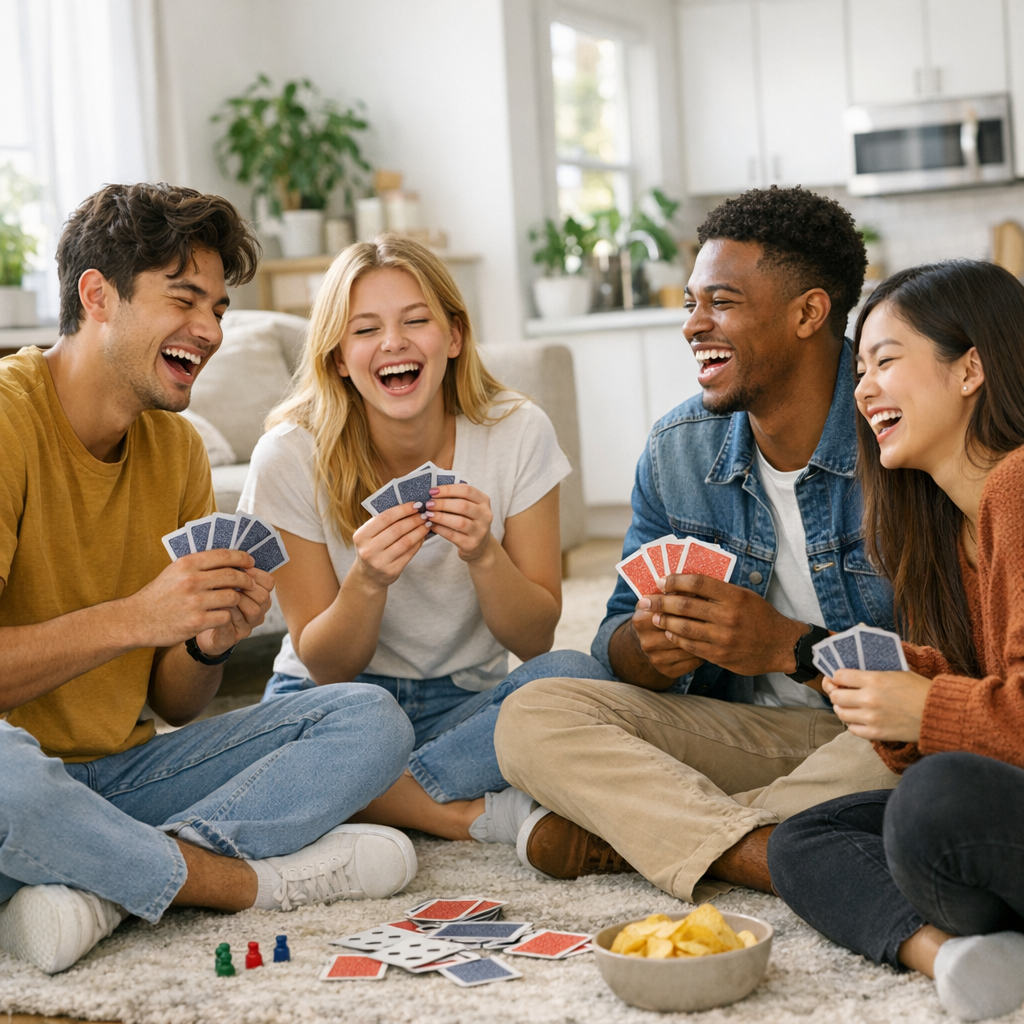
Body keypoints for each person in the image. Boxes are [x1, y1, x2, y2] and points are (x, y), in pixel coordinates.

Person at [0, 184, 419, 976]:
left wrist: (201, 642)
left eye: (220, 309)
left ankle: (101, 885)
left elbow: (176, 706)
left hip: (122, 780)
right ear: (98, 295)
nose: (211, 331)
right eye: (185, 299)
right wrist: (137, 617)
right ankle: (240, 883)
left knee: (369, 718)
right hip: (15, 771)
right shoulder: (7, 422)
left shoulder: (179, 449)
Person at [494, 186, 905, 900]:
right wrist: (650, 647)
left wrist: (786, 647)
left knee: (941, 751)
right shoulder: (677, 449)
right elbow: (614, 642)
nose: (692, 326)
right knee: (534, 715)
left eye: (721, 302)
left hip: (876, 742)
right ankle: (769, 850)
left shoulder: (897, 433)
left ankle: (659, 834)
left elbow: (953, 677)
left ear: (808, 312)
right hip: (741, 734)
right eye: (690, 304)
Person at [239, 234, 574, 846]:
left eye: (415, 320)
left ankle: (359, 794)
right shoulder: (287, 456)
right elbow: (326, 664)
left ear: (453, 336)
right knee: (347, 729)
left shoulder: (517, 430)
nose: (393, 342)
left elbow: (536, 640)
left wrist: (484, 555)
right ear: (338, 356)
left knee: (581, 676)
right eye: (364, 329)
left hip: (465, 702)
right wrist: (367, 581)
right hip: (340, 706)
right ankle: (452, 813)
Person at [768, 260, 1024, 1022]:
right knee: (803, 841)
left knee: (932, 803)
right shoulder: (949, 534)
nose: (864, 389)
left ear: (971, 367)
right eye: (860, 371)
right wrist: (908, 695)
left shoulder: (1018, 487)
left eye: (885, 361)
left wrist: (929, 708)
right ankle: (959, 956)